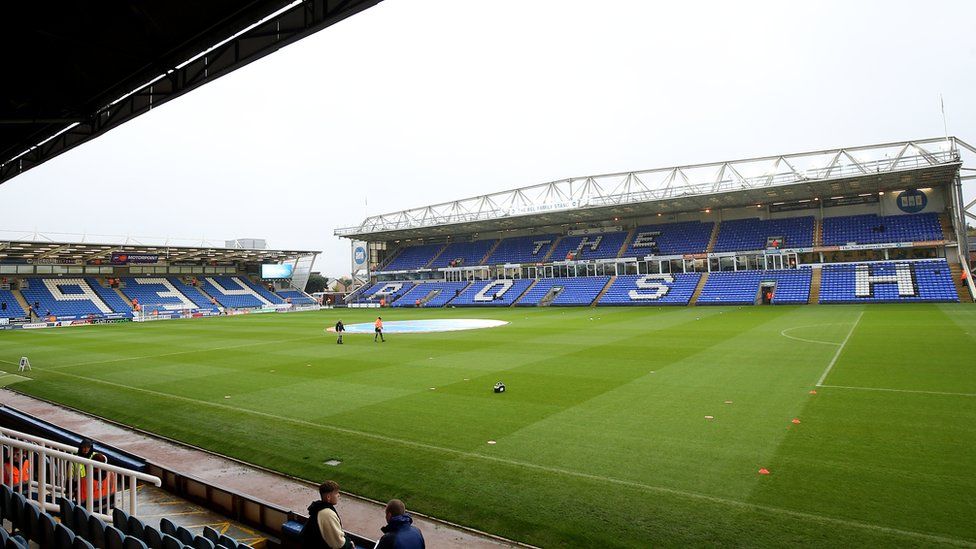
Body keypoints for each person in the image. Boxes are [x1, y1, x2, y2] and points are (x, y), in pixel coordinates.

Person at [300, 480, 354, 549]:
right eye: (336, 493)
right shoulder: (327, 513)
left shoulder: (320, 507)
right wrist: (349, 544)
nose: (339, 495)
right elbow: (338, 544)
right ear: (328, 497)